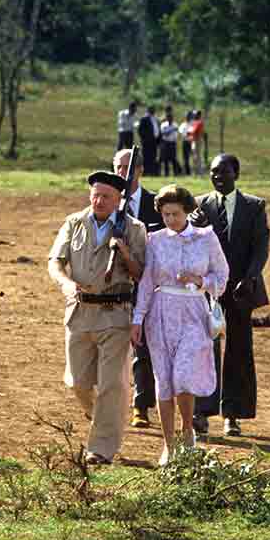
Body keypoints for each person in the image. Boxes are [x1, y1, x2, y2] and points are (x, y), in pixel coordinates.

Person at [47, 170, 147, 465]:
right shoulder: (74, 222)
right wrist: (66, 284)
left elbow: (141, 273)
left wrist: (125, 252)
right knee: (77, 381)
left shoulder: (133, 228)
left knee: (111, 385)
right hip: (79, 312)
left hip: (116, 315)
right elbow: (55, 262)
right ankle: (104, 416)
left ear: (119, 200)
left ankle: (101, 449)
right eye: (95, 195)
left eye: (106, 196)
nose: (99, 201)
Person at [131, 185, 229, 465]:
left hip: (193, 311)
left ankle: (188, 431)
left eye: (174, 213)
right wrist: (138, 318)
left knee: (184, 375)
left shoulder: (206, 238)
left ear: (187, 211)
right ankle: (169, 445)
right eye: (165, 214)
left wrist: (201, 281)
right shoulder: (155, 240)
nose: (170, 220)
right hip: (160, 314)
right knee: (163, 381)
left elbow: (222, 276)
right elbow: (147, 282)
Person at [190, 154, 270, 437]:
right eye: (213, 172)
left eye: (223, 172)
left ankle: (232, 414)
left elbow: (261, 247)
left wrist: (249, 279)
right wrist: (193, 226)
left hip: (240, 290)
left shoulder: (254, 206)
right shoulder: (199, 206)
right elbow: (188, 245)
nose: (217, 177)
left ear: (236, 172)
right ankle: (202, 412)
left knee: (238, 350)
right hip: (208, 288)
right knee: (204, 349)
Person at [113, 148, 164, 429]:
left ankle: (141, 405)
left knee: (143, 345)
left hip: (149, 284)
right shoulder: (108, 203)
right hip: (115, 285)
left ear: (140, 170)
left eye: (128, 167)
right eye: (119, 167)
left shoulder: (155, 203)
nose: (123, 173)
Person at [136, 105, 160, 176]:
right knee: (146, 157)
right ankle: (145, 172)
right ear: (149, 110)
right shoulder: (144, 119)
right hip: (147, 142)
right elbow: (140, 130)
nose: (153, 111)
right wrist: (144, 139)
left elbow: (157, 129)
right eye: (151, 110)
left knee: (153, 157)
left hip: (154, 141)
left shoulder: (155, 119)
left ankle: (152, 172)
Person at [159, 106, 180, 176]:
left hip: (172, 143)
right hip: (166, 143)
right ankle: (166, 173)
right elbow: (164, 134)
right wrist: (172, 130)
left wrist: (171, 132)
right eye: (168, 117)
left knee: (173, 159)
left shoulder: (175, 124)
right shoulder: (163, 125)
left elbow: (176, 135)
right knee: (166, 159)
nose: (170, 119)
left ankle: (175, 173)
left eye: (171, 118)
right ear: (167, 118)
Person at [187, 111, 205, 176]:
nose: (195, 116)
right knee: (194, 158)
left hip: (198, 141)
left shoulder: (199, 122)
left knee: (198, 158)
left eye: (196, 115)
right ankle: (195, 173)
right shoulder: (194, 122)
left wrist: (190, 133)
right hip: (194, 141)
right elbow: (189, 132)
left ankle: (200, 173)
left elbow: (193, 131)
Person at [179, 111, 193, 176]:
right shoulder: (183, 125)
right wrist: (188, 134)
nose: (188, 117)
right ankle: (187, 172)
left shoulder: (192, 124)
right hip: (185, 142)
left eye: (189, 116)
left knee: (193, 158)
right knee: (185, 158)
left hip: (191, 142)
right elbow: (182, 133)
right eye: (187, 116)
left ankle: (193, 171)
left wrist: (188, 134)